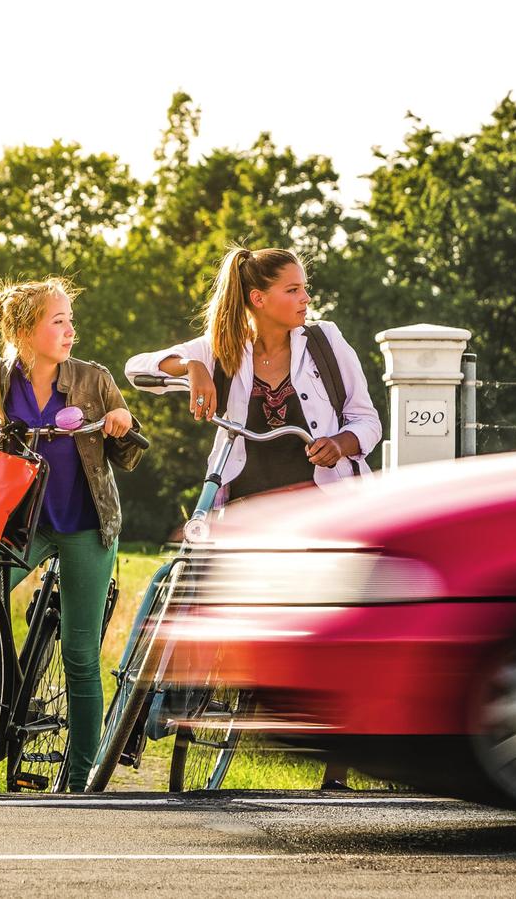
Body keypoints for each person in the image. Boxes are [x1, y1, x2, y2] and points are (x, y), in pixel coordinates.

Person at [124, 246, 382, 789]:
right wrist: (194, 366)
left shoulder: (326, 343)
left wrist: (340, 442)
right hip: (243, 509)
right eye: (293, 290)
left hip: (318, 511)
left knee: (331, 627)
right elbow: (138, 369)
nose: (305, 298)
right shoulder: (222, 347)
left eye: (305, 288)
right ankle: (136, 713)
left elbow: (368, 419)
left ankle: (336, 767)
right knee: (175, 583)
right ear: (258, 298)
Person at [0, 277, 145, 792]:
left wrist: (119, 418)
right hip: (27, 521)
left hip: (88, 524)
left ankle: (84, 777)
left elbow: (128, 449)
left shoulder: (92, 378)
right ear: (25, 331)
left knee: (80, 653)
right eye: (59, 320)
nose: (71, 330)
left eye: (70, 319)